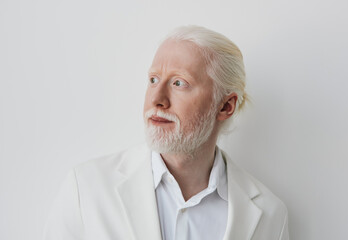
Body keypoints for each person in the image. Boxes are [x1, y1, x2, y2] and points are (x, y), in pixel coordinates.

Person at [43, 25, 289, 240]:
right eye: (153, 80)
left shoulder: (269, 214)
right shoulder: (85, 189)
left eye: (178, 83)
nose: (157, 99)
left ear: (225, 106)